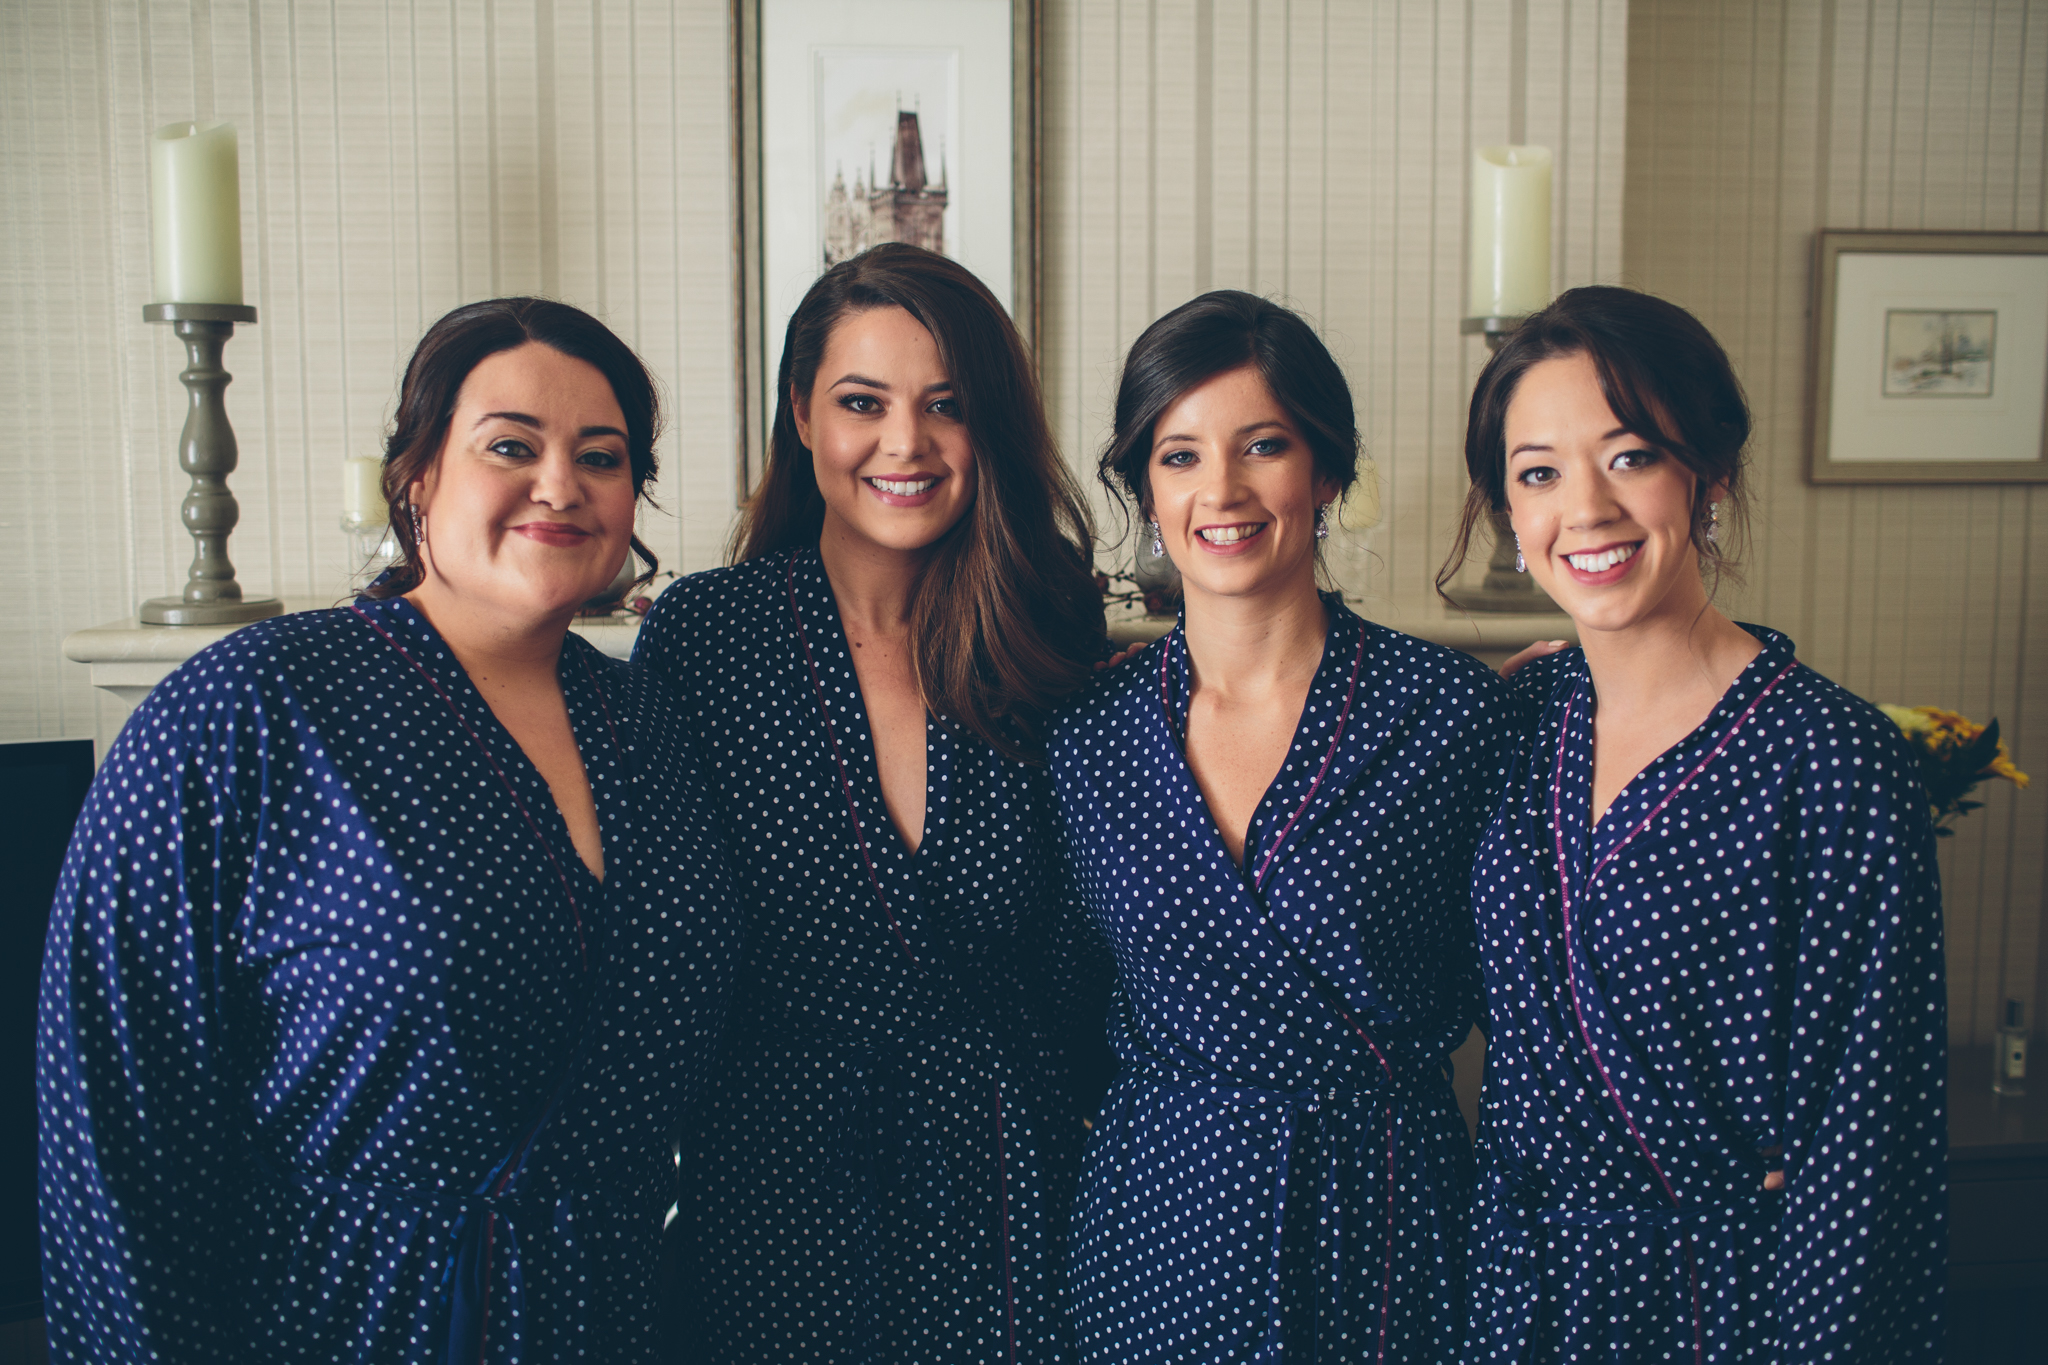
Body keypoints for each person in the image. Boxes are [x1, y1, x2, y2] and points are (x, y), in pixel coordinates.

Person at [37, 298, 735, 1363]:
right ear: (415, 476)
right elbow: (114, 1123)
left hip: (611, 1311)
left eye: (601, 457)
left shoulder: (645, 719)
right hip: (340, 1315)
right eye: (510, 445)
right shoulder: (252, 705)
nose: (560, 484)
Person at [632, 243, 1112, 1363]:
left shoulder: (1046, 628)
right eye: (862, 403)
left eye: (946, 406)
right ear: (802, 415)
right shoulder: (710, 636)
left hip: (1004, 1172)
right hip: (771, 1176)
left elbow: (1088, 927)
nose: (904, 443)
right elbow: (655, 930)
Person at [1448, 286, 1946, 1362]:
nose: (1581, 509)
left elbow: (1868, 1149)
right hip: (1511, 1285)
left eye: (1627, 456)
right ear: (1507, 509)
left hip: (1727, 1298)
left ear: (1706, 476)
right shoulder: (1522, 720)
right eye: (1536, 472)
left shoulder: (1832, 760)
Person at [1047, 291, 1515, 1363]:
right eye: (1178, 456)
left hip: (1382, 1213)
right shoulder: (1089, 739)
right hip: (1156, 1224)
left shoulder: (1445, 714)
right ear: (1142, 490)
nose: (1220, 490)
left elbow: (1538, 984)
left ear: (1328, 472)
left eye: (1263, 446)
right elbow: (1061, 998)